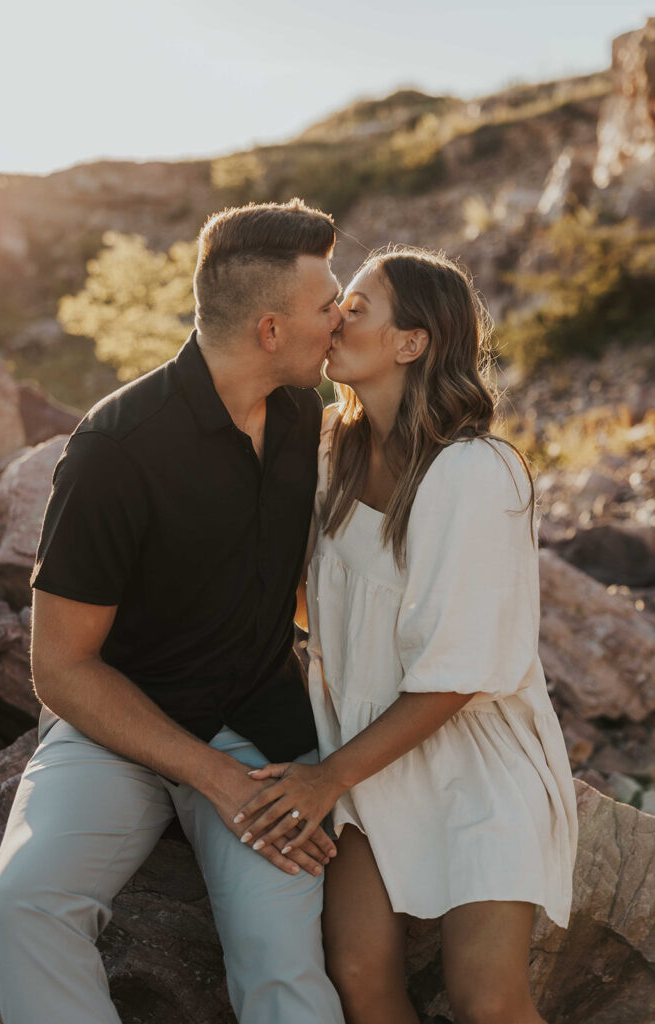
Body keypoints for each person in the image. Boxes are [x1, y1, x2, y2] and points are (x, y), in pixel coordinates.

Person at [0, 199, 346, 1024]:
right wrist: (210, 776)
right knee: (22, 910)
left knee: (284, 966)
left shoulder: (302, 415)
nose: (341, 317)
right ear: (269, 329)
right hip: (121, 725)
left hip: (257, 725)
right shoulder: (116, 450)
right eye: (325, 305)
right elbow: (59, 667)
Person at [233, 247, 579, 1024]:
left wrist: (324, 779)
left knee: (484, 997)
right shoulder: (330, 448)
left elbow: (455, 674)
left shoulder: (476, 471)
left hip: (475, 762)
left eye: (355, 306)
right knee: (356, 972)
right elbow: (317, 604)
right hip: (365, 756)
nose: (335, 317)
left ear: (410, 343)